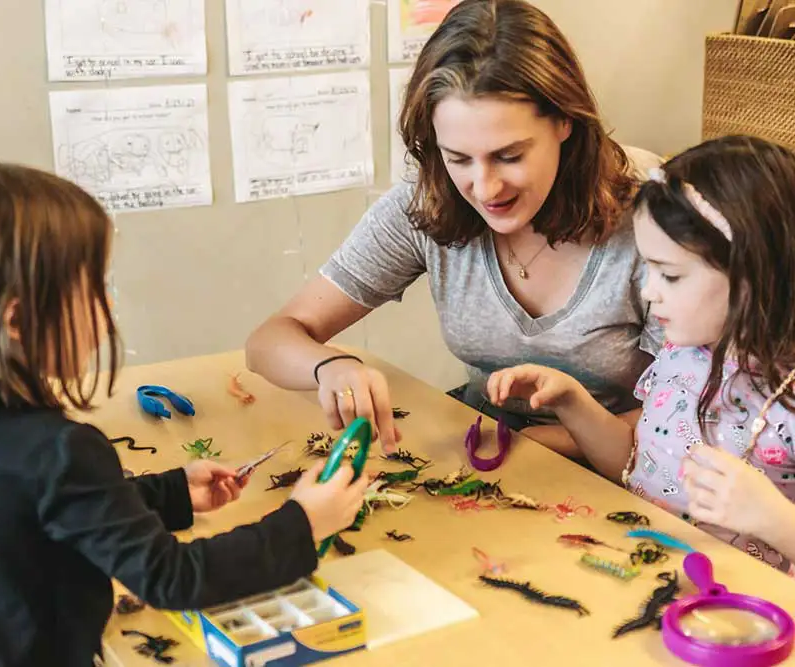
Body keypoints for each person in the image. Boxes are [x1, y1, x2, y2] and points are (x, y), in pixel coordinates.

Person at [0, 162, 369, 667]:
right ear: (16, 319)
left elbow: (37, 511)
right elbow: (173, 578)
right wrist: (302, 523)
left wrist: (170, 493)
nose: (110, 306)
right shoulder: (59, 450)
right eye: (93, 287)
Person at [245, 0, 663, 458]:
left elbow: (698, 418)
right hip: (490, 452)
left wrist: (531, 444)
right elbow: (270, 340)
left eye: (509, 155)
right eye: (458, 158)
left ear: (565, 121)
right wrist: (332, 367)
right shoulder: (428, 201)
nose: (485, 188)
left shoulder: (658, 215)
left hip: (624, 470)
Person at [488, 135, 795, 573]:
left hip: (748, 616)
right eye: (649, 267)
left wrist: (777, 520)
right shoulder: (684, 353)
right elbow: (635, 468)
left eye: (669, 275)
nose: (650, 292)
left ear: (752, 274)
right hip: (646, 571)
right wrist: (572, 403)